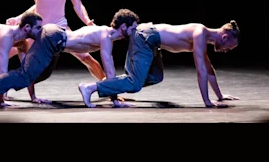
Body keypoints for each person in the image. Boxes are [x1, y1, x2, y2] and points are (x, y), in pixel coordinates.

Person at [0, 8, 140, 108]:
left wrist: (113, 96)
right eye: (133, 28)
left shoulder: (104, 33)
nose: (135, 31)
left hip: (54, 37)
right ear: (123, 26)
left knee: (29, 74)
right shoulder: (106, 37)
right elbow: (109, 70)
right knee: (24, 75)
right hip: (53, 38)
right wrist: (115, 100)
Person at [2, 0, 105, 99]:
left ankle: (107, 87)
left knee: (85, 57)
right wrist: (19, 18)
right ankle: (0, 89)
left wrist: (87, 22)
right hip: (39, 27)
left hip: (59, 25)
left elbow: (77, 4)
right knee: (8, 51)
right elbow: (37, 4)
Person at [78, 20, 242, 108]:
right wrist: (207, 101)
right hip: (146, 37)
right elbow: (200, 70)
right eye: (230, 47)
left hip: (152, 42)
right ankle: (91, 87)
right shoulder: (200, 33)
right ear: (226, 37)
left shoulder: (204, 38)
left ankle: (112, 85)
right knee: (135, 83)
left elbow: (208, 69)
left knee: (155, 76)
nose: (226, 50)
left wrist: (220, 97)